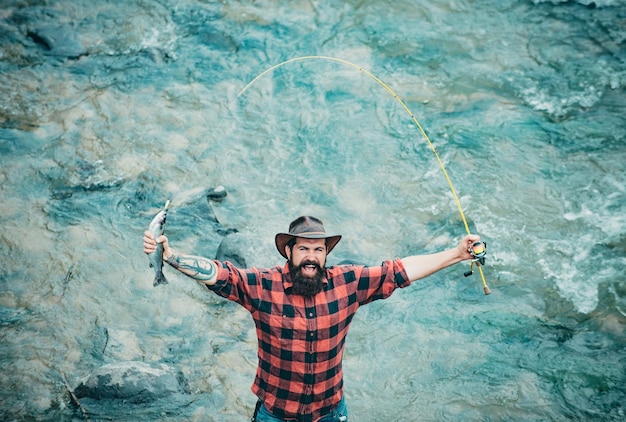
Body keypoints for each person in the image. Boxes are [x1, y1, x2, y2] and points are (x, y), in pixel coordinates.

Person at [143, 215, 482, 422]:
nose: (311, 256)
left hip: (330, 412)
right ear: (288, 252)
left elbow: (399, 271)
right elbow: (221, 275)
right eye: (303, 248)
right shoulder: (263, 286)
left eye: (318, 249)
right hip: (276, 413)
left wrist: (456, 253)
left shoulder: (347, 283)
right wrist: (170, 256)